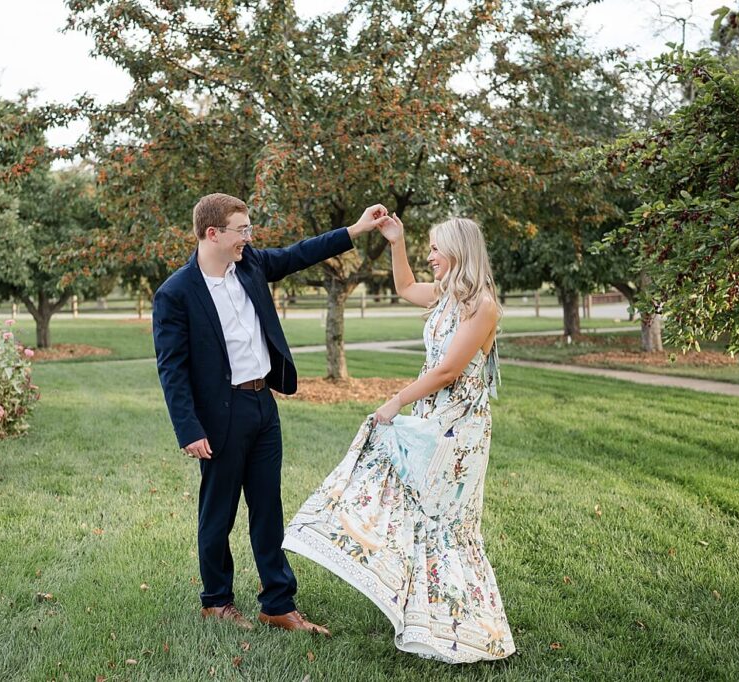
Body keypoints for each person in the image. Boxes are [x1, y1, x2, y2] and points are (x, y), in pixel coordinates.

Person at [152, 193, 391, 634]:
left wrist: (355, 229)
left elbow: (300, 253)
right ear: (213, 234)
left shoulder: (251, 265)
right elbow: (172, 369)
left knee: (268, 508)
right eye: (241, 230)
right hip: (220, 414)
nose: (249, 237)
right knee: (218, 513)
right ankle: (216, 601)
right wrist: (188, 428)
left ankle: (277, 604)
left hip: (263, 405)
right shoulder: (176, 294)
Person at [283, 214, 516, 662]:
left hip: (459, 428)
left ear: (458, 251)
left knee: (448, 523)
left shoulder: (481, 304)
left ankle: (474, 634)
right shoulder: (448, 295)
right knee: (422, 513)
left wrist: (393, 402)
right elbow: (407, 288)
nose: (429, 257)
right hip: (433, 419)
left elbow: (448, 370)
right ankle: (432, 624)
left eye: (434, 249)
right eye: (426, 248)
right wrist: (397, 242)